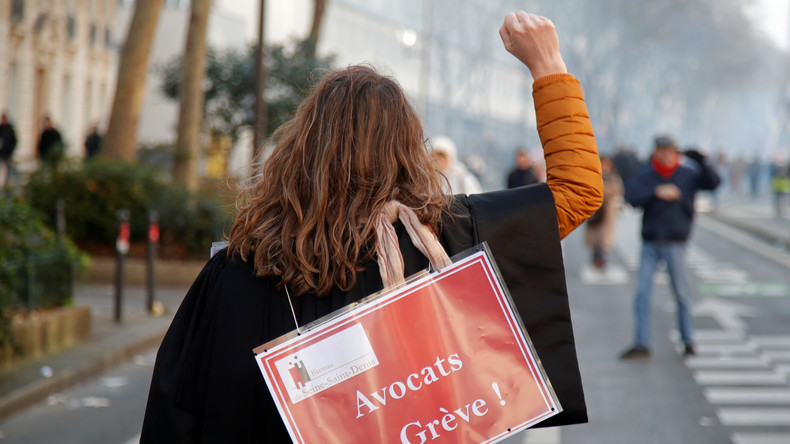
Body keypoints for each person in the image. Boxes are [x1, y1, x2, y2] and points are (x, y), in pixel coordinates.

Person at [141, 12, 603, 442]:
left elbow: (178, 411)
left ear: (302, 148)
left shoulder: (240, 269)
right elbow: (578, 189)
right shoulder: (446, 237)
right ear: (407, 151)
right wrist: (547, 65)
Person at [620, 136, 720, 359]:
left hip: (676, 242)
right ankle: (642, 342)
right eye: (661, 151)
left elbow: (713, 183)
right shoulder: (647, 174)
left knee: (682, 293)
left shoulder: (687, 174)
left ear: (675, 152)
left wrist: (701, 161)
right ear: (655, 152)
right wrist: (655, 193)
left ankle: (688, 340)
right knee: (642, 294)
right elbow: (631, 198)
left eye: (669, 151)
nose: (665, 155)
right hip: (651, 241)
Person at [584, 156, 623, 270]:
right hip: (595, 210)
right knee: (595, 238)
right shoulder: (594, 177)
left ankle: (602, 259)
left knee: (605, 239)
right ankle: (596, 258)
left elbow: (618, 191)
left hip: (608, 212)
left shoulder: (613, 178)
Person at [0, 112, 18, 187]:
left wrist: (11, 150)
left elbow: (14, 141)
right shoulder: (0, 128)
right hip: (1, 152)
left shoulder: (10, 129)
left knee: (8, 169)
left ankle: (7, 184)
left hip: (7, 152)